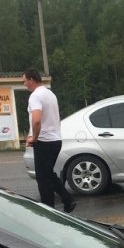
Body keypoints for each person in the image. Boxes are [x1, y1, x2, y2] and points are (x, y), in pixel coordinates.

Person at [22, 68, 76, 213]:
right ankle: (66, 200)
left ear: (31, 80)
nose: (24, 84)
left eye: (25, 80)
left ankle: (49, 209)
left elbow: (37, 120)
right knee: (47, 174)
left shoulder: (35, 96)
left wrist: (34, 137)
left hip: (44, 142)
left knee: (43, 178)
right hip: (55, 140)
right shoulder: (49, 94)